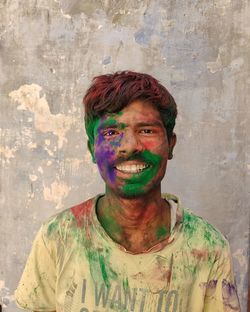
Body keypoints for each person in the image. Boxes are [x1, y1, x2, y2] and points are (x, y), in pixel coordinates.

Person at [15, 71, 240, 312]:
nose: (130, 146)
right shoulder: (58, 237)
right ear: (92, 149)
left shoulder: (207, 247)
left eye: (146, 130)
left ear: (170, 144)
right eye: (111, 132)